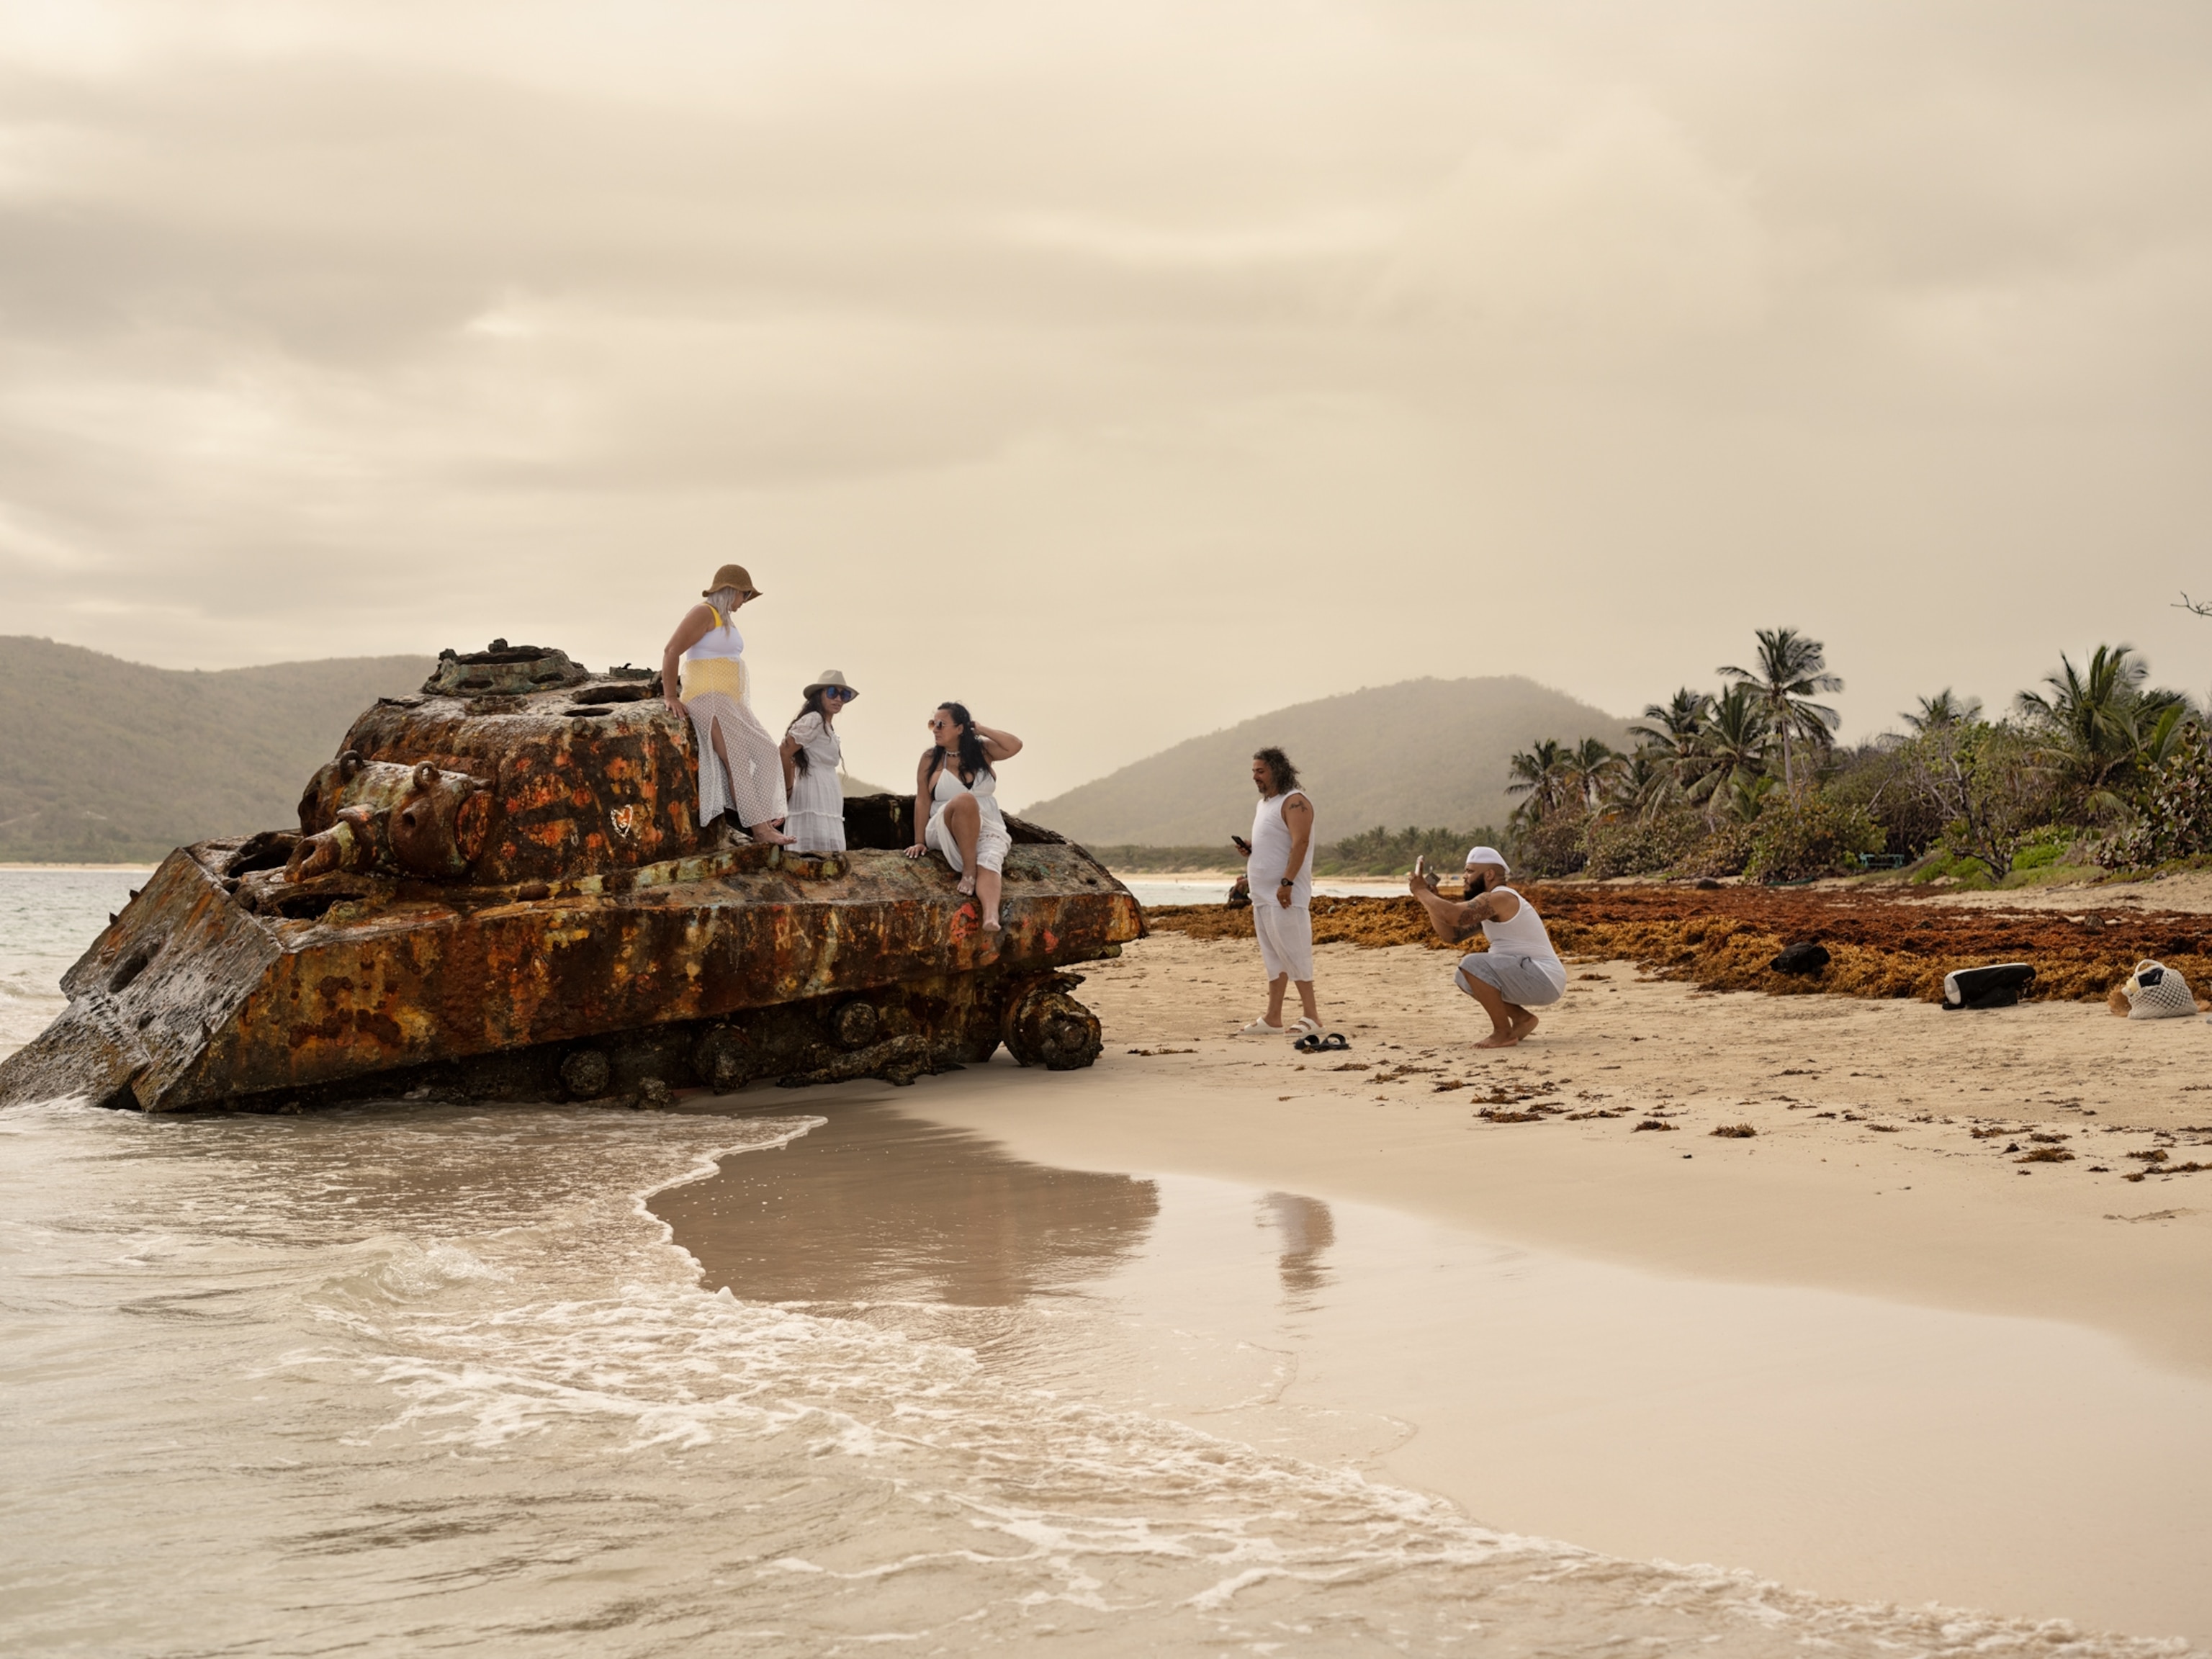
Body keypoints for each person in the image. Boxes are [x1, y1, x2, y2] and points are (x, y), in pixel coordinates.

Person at [659, 564, 794, 845]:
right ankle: (761, 830)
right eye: (744, 595)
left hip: (730, 703)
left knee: (768, 752)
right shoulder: (703, 613)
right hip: (708, 699)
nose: (744, 602)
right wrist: (670, 695)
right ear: (731, 591)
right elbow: (672, 650)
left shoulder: (724, 619)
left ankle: (762, 816)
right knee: (737, 763)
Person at [1407, 845, 1565, 1048]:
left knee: (1472, 964)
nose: (1464, 876)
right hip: (1535, 977)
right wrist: (1430, 900)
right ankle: (1522, 1020)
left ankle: (1503, 1033)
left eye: (1470, 871)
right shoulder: (1489, 905)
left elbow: (1453, 915)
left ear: (1489, 874)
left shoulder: (1501, 898)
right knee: (1464, 976)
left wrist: (1421, 891)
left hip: (1543, 976)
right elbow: (1451, 935)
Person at [904, 703, 1022, 932]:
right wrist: (919, 840)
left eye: (941, 724)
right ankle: (969, 872)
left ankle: (991, 915)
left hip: (987, 825)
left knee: (990, 859)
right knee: (965, 800)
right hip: (944, 826)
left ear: (960, 728)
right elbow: (922, 800)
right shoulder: (930, 758)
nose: (935, 730)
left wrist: (980, 729)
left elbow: (1015, 745)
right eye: (932, 724)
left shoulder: (983, 752)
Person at [1238, 747, 1320, 1038]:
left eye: (1260, 771)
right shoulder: (1266, 805)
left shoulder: (1295, 801)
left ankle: (1312, 1016)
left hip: (1286, 895)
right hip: (1262, 897)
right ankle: (1273, 1017)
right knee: (1274, 957)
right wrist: (1252, 852)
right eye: (1253, 771)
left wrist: (1286, 883)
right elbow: (1275, 846)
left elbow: (1301, 843)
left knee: (1295, 953)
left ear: (1277, 770)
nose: (1255, 777)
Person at [780, 670, 858, 853]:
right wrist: (788, 788)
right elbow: (784, 752)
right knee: (809, 853)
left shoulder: (826, 725)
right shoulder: (814, 719)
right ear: (819, 695)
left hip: (826, 796)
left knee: (827, 855)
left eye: (844, 695)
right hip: (811, 793)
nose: (838, 699)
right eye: (832, 692)